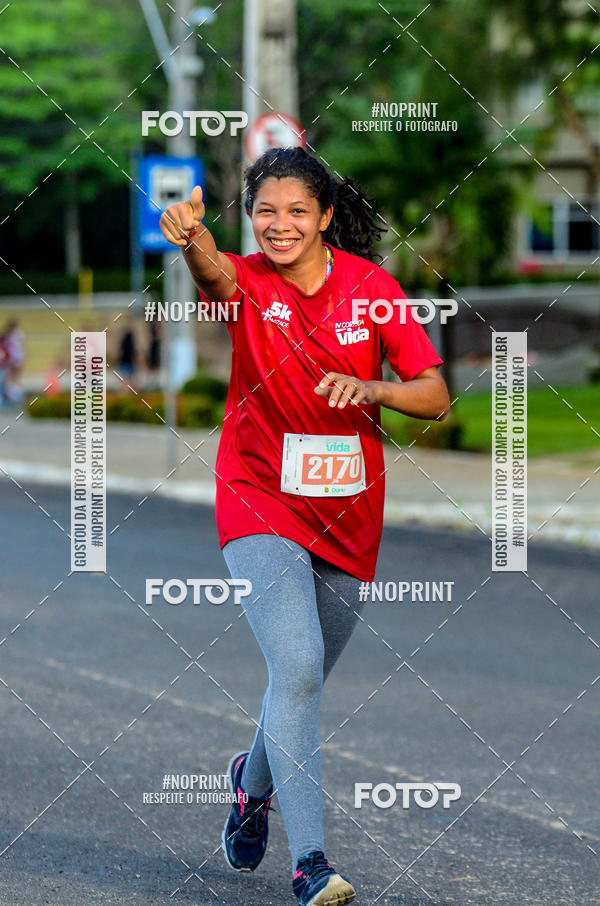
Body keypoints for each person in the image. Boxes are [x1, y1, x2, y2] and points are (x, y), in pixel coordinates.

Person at [159, 147, 450, 906]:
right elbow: (215, 273)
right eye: (264, 212)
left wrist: (371, 386)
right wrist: (193, 242)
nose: (279, 225)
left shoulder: (373, 289)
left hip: (349, 515)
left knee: (304, 676)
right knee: (296, 669)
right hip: (258, 496)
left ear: (324, 218)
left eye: (295, 211)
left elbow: (434, 396)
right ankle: (311, 862)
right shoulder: (249, 281)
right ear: (250, 219)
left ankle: (247, 788)